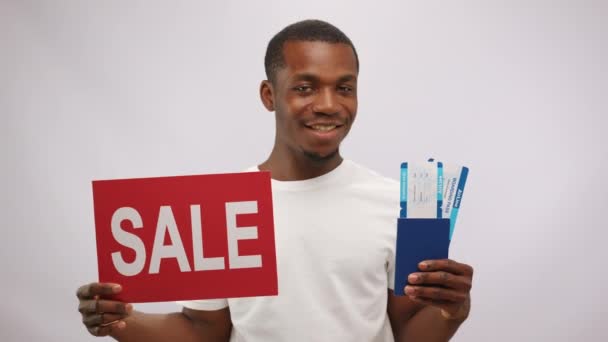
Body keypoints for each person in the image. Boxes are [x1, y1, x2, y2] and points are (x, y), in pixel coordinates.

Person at [77, 19, 474, 341]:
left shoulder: (394, 203)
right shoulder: (224, 205)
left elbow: (408, 331)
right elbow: (202, 331)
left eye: (344, 88)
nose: (328, 105)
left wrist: (452, 311)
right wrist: (122, 321)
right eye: (305, 87)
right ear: (269, 95)